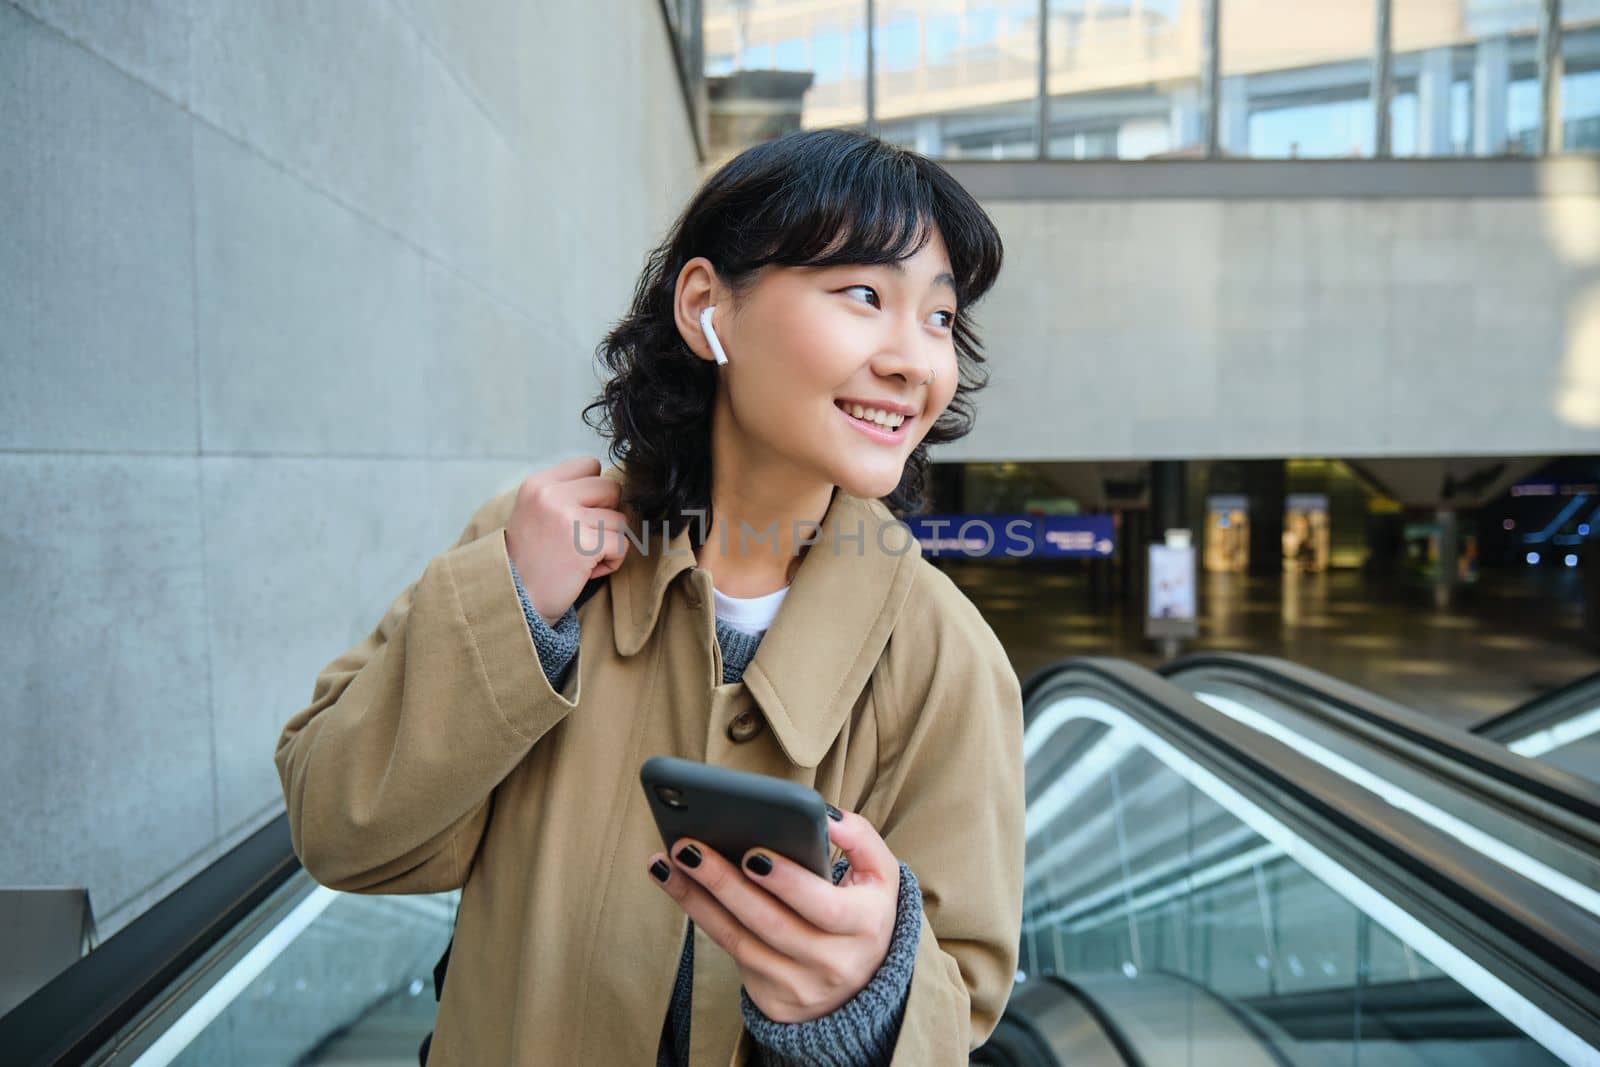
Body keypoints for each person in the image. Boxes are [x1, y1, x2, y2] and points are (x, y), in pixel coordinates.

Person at [274, 128, 1025, 1066]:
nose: (916, 361)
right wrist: (513, 611)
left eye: (941, 318)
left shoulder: (946, 655)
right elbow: (339, 829)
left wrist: (864, 998)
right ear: (709, 306)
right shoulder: (536, 550)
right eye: (866, 295)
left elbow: (964, 1000)